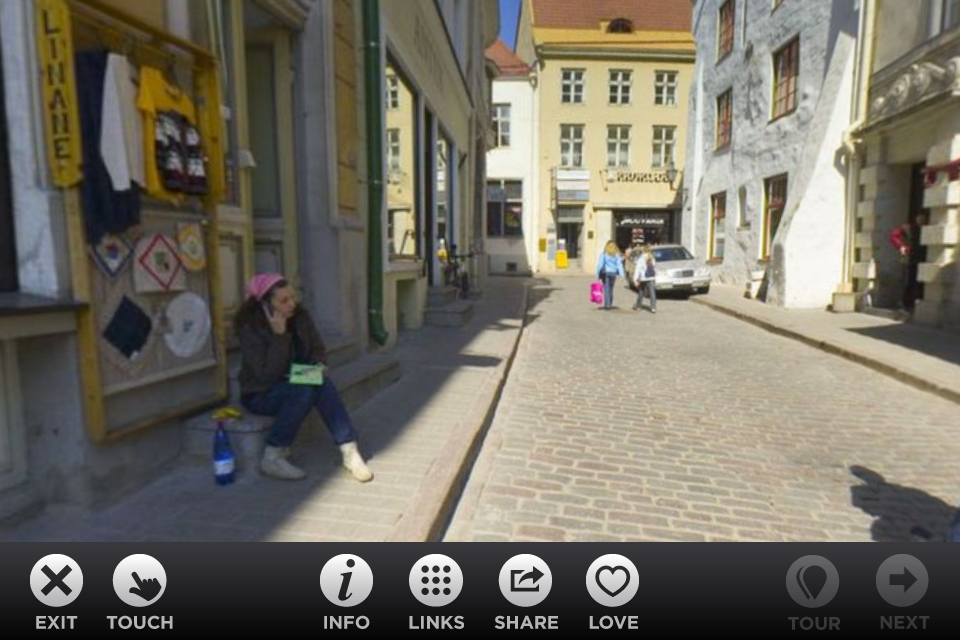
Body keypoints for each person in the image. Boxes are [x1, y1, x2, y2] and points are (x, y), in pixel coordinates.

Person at [235, 273, 373, 482]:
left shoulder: (300, 317)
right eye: (284, 301)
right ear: (265, 305)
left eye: (293, 297)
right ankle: (273, 455)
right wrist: (279, 336)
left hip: (294, 378)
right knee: (305, 389)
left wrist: (319, 365)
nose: (292, 304)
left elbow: (317, 348)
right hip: (262, 392)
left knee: (321, 383)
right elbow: (265, 375)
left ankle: (349, 450)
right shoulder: (250, 328)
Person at [594, 240, 625, 309]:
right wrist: (622, 275)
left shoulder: (604, 254)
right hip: (613, 273)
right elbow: (619, 265)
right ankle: (610, 303)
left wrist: (597, 275)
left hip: (606, 273)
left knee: (606, 289)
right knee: (611, 289)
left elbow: (600, 265)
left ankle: (607, 305)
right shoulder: (616, 255)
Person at [632, 245, 657, 313]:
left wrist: (635, 279)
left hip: (643, 278)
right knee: (652, 292)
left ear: (644, 250)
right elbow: (654, 267)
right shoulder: (652, 257)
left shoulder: (642, 258)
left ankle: (638, 306)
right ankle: (653, 307)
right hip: (651, 277)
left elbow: (638, 269)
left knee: (641, 292)